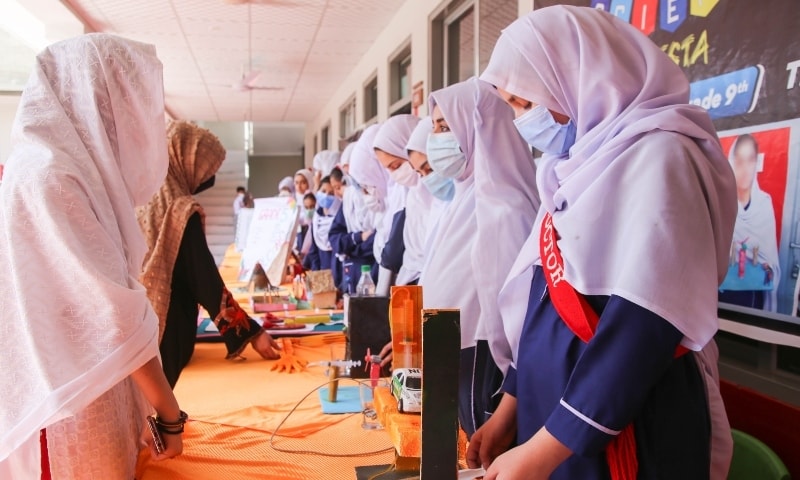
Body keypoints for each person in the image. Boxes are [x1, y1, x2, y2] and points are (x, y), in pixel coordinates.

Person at [469, 6, 737, 479]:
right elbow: (544, 304)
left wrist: (542, 451)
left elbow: (646, 323)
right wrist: (510, 410)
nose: (520, 122)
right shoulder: (568, 172)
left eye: (524, 103)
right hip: (558, 427)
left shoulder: (663, 157)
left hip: (628, 425)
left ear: (579, 77)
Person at [0, 33, 184, 479]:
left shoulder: (53, 169)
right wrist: (169, 414)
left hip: (81, 386)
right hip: (67, 408)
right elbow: (110, 314)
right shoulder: (52, 178)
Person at [137, 121, 280, 388]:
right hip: (168, 330)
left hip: (140, 328)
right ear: (185, 160)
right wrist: (252, 332)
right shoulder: (178, 209)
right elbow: (204, 281)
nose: (207, 180)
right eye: (206, 171)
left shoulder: (141, 199)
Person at [718, 134, 780, 311]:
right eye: (739, 162)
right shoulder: (721, 203)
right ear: (731, 163)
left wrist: (767, 264)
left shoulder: (763, 203)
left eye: (750, 160)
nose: (745, 169)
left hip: (754, 292)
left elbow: (770, 257)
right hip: (723, 290)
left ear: (756, 163)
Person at [373, 114, 421, 290]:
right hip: (416, 289)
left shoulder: (443, 193)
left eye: (396, 165)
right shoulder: (414, 195)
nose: (395, 175)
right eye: (388, 170)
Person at [329, 127, 380, 293]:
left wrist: (352, 247)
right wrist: (357, 238)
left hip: (376, 270)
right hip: (353, 272)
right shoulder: (349, 196)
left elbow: (380, 240)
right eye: (345, 171)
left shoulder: (380, 192)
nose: (350, 175)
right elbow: (335, 238)